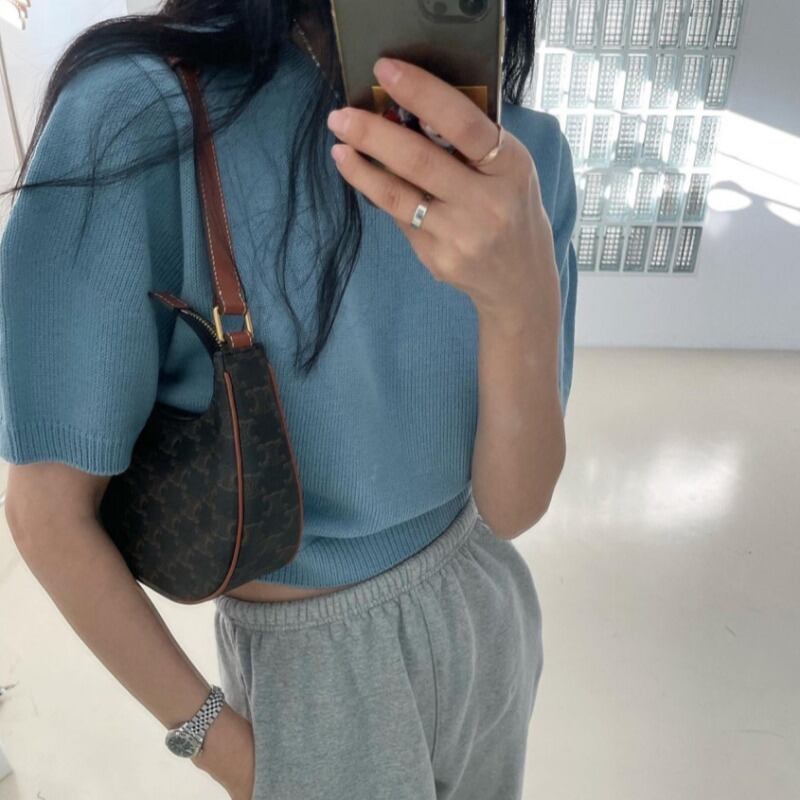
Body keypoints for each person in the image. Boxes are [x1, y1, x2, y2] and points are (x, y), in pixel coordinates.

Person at [0, 2, 577, 799]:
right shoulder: (141, 114)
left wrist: (520, 302)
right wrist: (226, 750)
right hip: (314, 676)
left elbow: (512, 507)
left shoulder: (522, 157)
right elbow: (47, 512)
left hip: (488, 614)